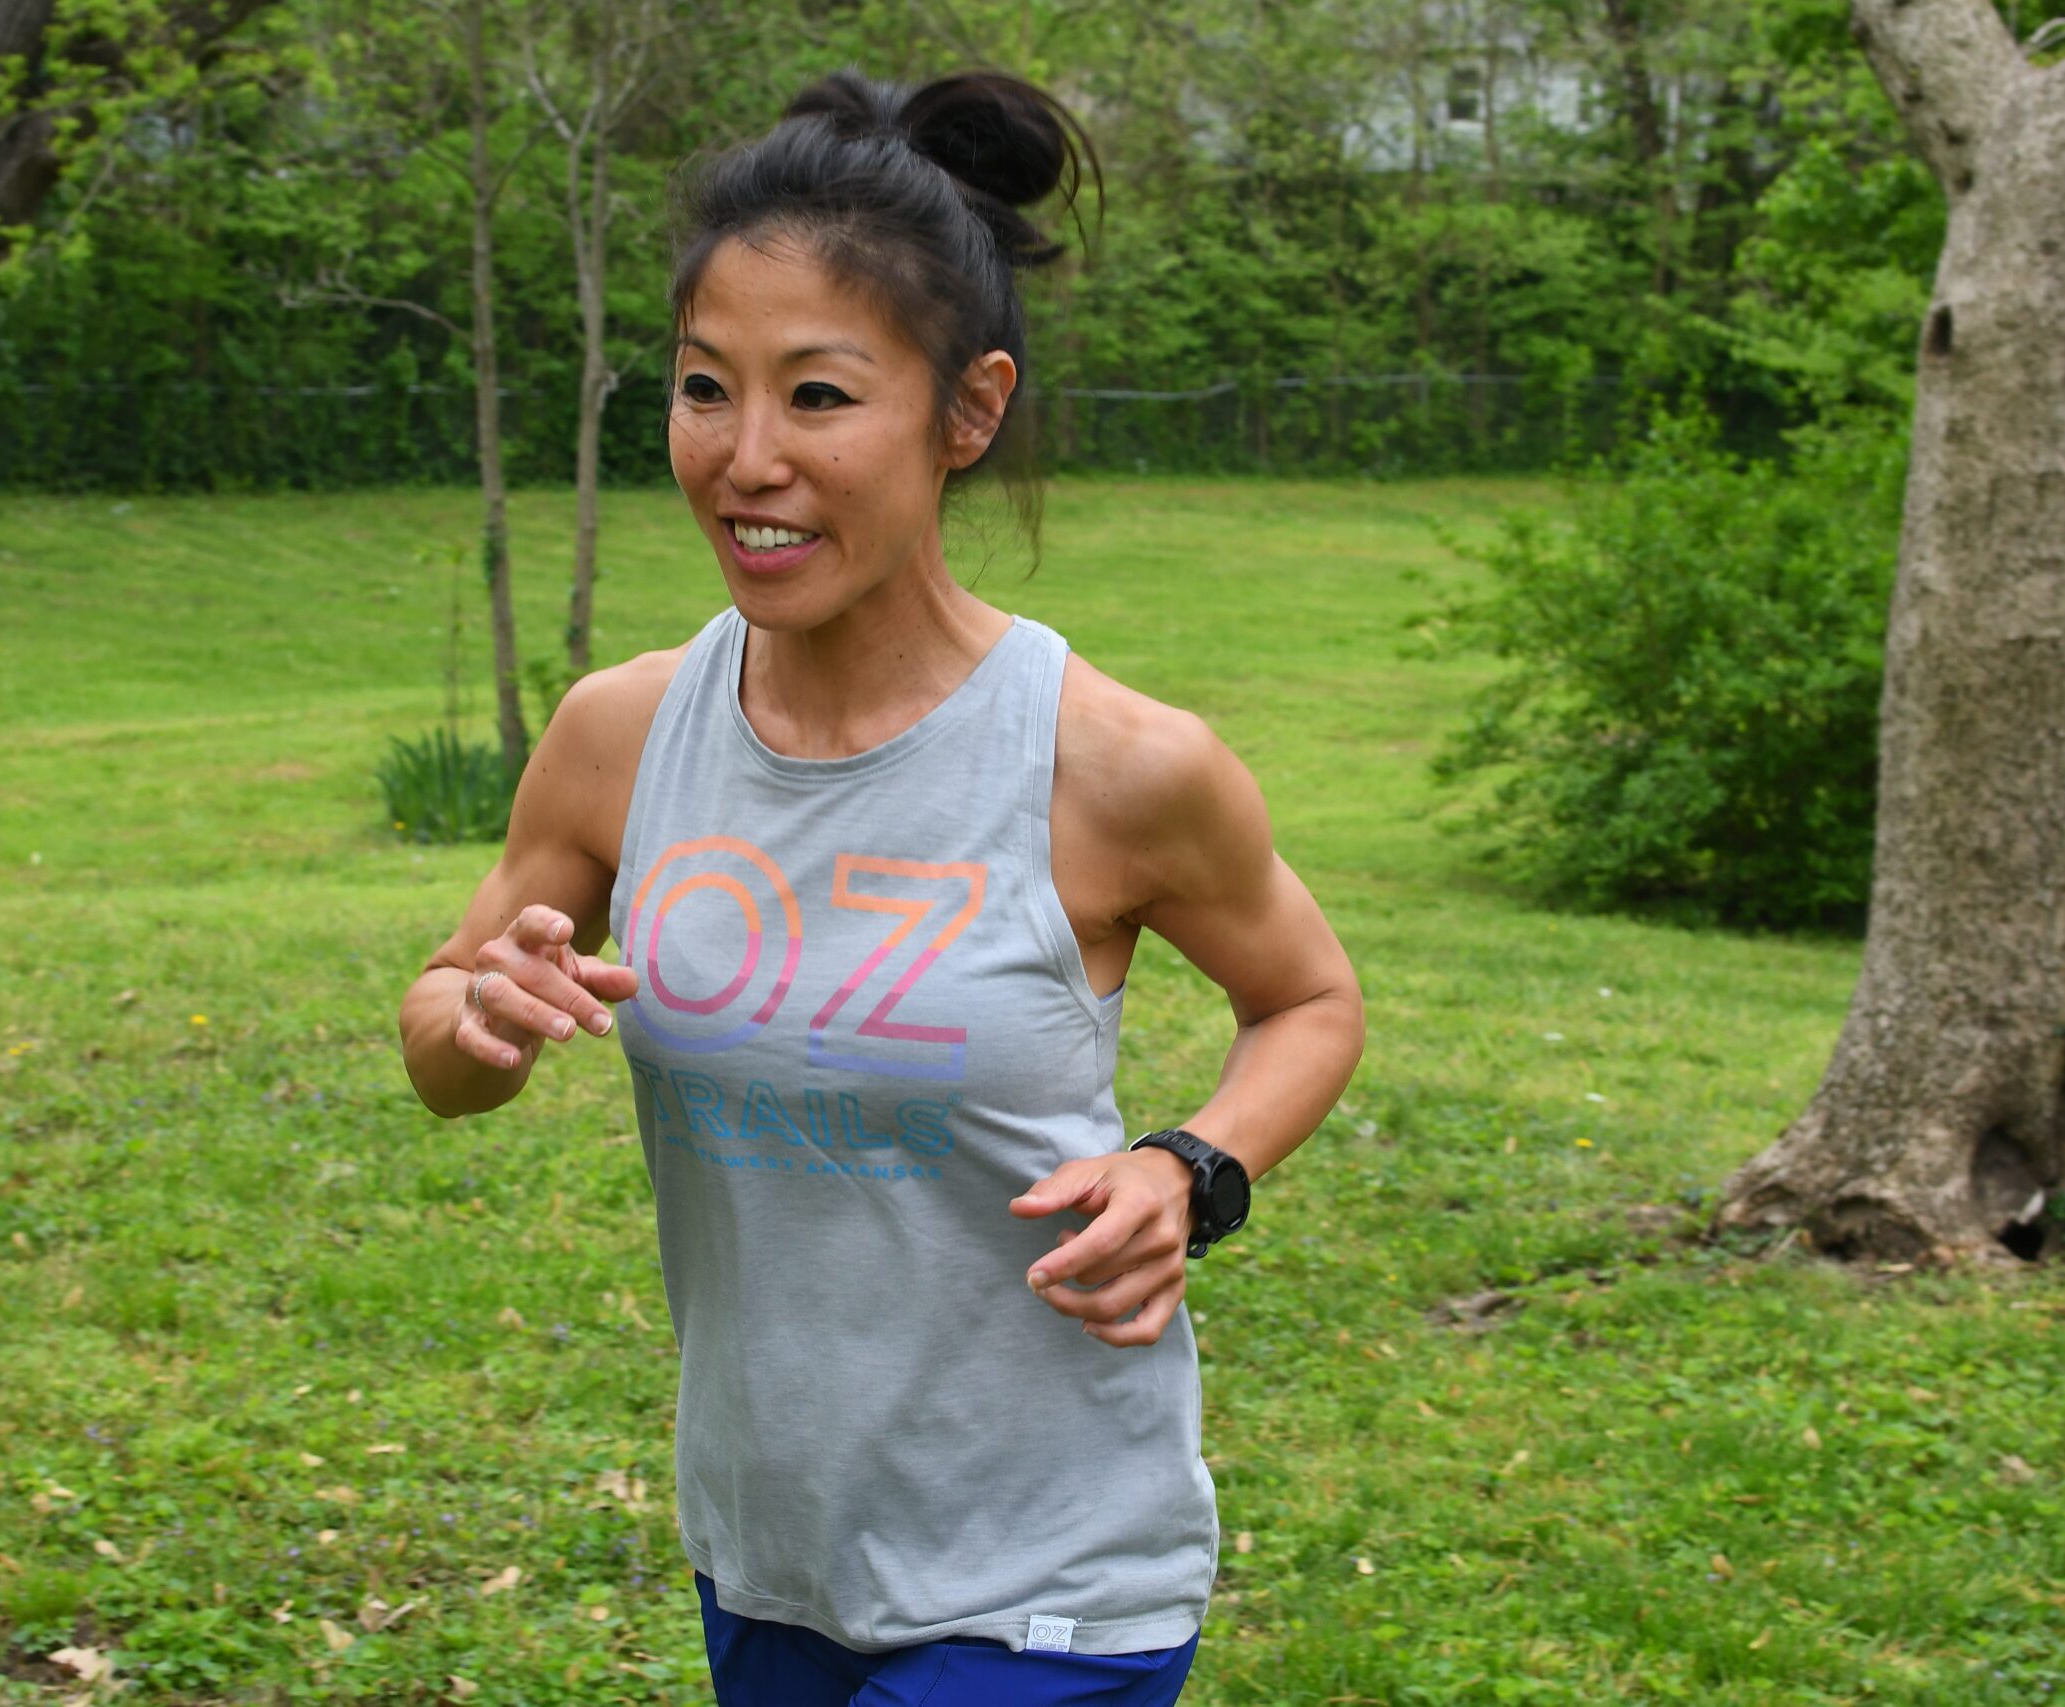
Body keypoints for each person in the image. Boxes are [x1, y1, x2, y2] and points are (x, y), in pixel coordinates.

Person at [397, 66, 1364, 1707]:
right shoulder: (621, 733)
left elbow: (1309, 1001)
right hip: (775, 1551)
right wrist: (479, 1015)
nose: (747, 459)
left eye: (821, 398)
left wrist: (1193, 1167)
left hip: (1052, 1573)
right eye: (708, 391)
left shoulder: (1112, 764)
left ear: (966, 413)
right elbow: (439, 1028)